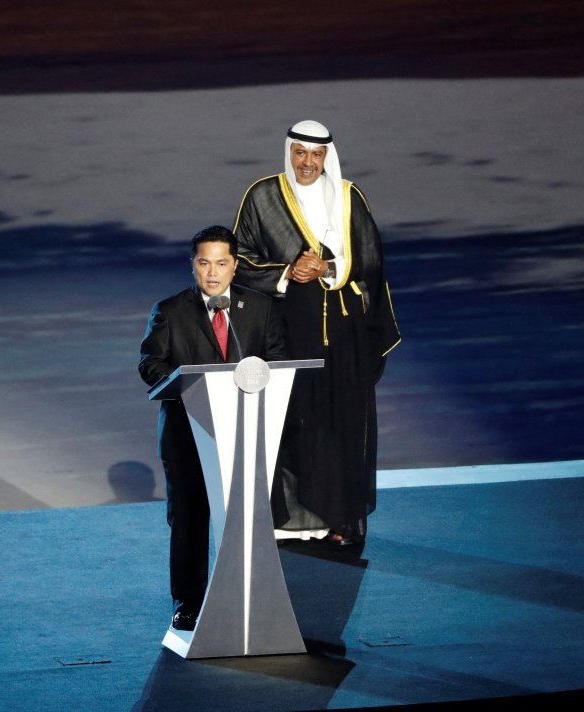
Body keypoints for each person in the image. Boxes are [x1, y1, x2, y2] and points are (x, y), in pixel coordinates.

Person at [232, 120, 400, 546]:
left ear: (327, 156)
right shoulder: (263, 196)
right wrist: (289, 270)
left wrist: (327, 268)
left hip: (343, 337)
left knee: (340, 425)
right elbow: (241, 261)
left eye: (316, 154)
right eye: (300, 153)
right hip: (285, 334)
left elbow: (371, 263)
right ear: (289, 152)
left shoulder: (347, 197)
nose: (307, 163)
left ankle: (339, 520)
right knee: (290, 424)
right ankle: (286, 521)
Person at [139, 225, 286, 631]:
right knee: (189, 520)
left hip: (244, 434)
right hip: (188, 434)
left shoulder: (260, 308)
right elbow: (150, 365)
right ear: (193, 266)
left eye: (221, 263)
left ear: (235, 266)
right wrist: (187, 379)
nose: (212, 272)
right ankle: (188, 603)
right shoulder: (170, 310)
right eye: (204, 262)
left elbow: (276, 359)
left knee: (243, 520)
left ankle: (246, 598)